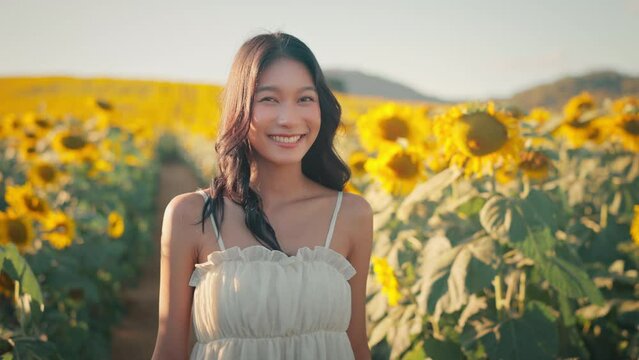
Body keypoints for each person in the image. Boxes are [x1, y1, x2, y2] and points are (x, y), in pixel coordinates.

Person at [152, 31, 373, 360]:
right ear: (240, 108)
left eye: (305, 99)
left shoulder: (351, 215)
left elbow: (355, 345)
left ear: (321, 108)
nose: (288, 119)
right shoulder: (191, 214)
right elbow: (170, 350)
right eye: (269, 99)